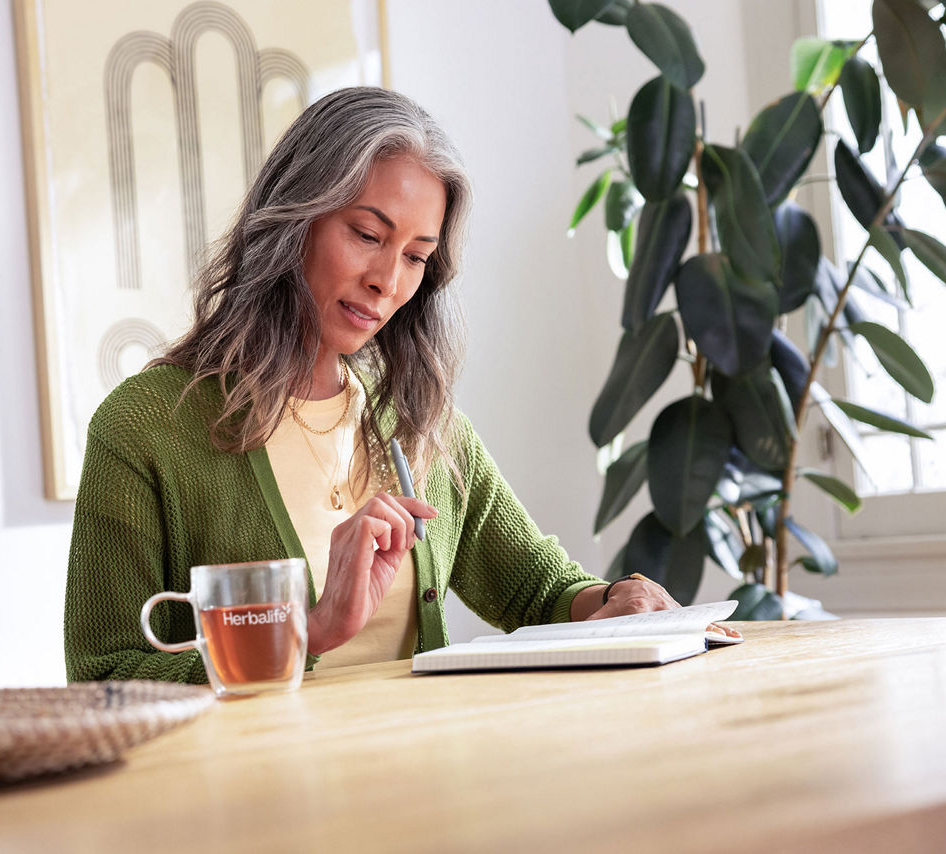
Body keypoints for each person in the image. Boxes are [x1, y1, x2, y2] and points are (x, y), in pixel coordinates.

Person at [64, 87, 737, 684]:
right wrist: (312, 631)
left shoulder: (419, 423)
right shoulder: (145, 427)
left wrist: (621, 598)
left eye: (416, 256)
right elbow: (106, 674)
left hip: (418, 791)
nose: (389, 281)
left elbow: (537, 588)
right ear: (294, 220)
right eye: (366, 234)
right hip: (255, 808)